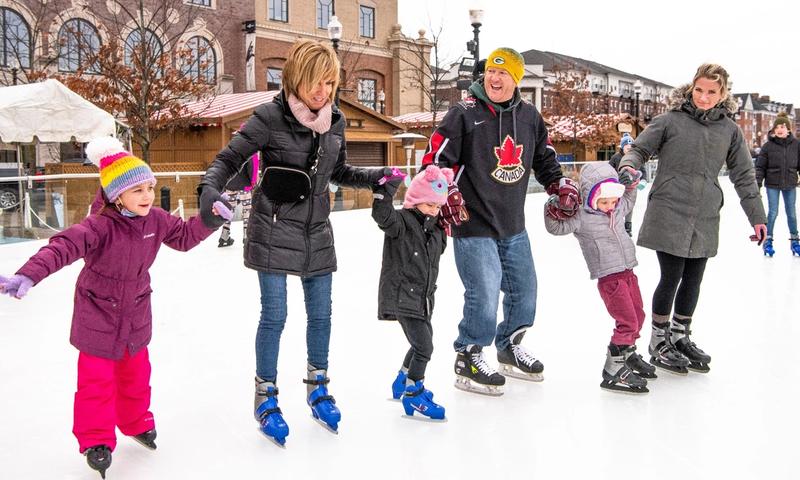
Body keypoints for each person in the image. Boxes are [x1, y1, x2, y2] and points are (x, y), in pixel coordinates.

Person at [0, 137, 228, 479]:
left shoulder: (156, 220)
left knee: (137, 378)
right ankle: (96, 441)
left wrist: (209, 220)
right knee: (96, 383)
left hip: (136, 313)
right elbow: (61, 248)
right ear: (115, 194)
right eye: (137, 190)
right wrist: (28, 274)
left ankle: (136, 423)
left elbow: (182, 236)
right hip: (98, 316)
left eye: (150, 187)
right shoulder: (98, 227)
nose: (148, 196)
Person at [197, 39, 386, 446]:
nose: (323, 93)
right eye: (316, 83)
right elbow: (227, 160)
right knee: (276, 315)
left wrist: (377, 178)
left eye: (330, 84)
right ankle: (265, 395)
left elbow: (338, 171)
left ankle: (318, 386)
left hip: (317, 230)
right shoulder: (268, 117)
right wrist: (210, 190)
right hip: (273, 229)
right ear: (296, 79)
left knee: (322, 315)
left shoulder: (333, 120)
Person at [421, 47, 579, 396]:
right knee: (485, 290)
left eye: (503, 73)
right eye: (491, 71)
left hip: (512, 222)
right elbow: (434, 160)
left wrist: (559, 184)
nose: (494, 78)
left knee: (525, 289)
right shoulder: (462, 114)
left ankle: (508, 345)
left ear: (516, 79)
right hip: (472, 220)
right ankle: (469, 354)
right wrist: (444, 190)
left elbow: (544, 157)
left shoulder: (529, 117)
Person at [617, 63, 767, 375]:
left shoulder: (729, 130)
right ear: (691, 87)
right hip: (669, 207)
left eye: (712, 91)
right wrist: (629, 166)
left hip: (705, 213)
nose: (703, 96)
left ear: (723, 93)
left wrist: (757, 217)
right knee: (671, 276)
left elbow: (743, 175)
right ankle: (659, 339)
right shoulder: (670, 120)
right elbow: (639, 150)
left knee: (694, 278)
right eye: (699, 89)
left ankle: (679, 336)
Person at [544, 162, 655, 394]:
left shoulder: (617, 208)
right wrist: (552, 207)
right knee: (627, 321)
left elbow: (629, 198)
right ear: (590, 195)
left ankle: (627, 354)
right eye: (604, 201)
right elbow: (556, 228)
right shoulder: (581, 216)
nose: (610, 206)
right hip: (610, 279)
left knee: (639, 315)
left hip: (628, 272)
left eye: (613, 201)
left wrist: (630, 183)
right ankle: (613, 368)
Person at [372, 166, 451, 420]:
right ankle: (413, 394)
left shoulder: (436, 229)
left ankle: (402, 381)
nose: (433, 211)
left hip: (424, 298)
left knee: (422, 341)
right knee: (424, 346)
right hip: (403, 295)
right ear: (416, 200)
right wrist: (385, 190)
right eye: (429, 205)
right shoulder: (401, 223)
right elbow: (382, 216)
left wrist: (445, 221)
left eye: (438, 207)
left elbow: (437, 254)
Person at [755, 112, 799, 257]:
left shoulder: (796, 145)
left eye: (783, 126)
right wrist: (758, 183)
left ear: (789, 129)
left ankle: (795, 241)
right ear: (773, 130)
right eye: (777, 127)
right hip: (772, 184)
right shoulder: (767, 146)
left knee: (791, 214)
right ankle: (768, 240)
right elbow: (760, 167)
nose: (780, 129)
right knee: (773, 213)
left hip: (790, 184)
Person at [217, 150, 260, 248]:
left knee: (228, 209)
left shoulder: (231, 149)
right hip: (244, 185)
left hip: (230, 184)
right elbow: (253, 168)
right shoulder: (251, 151)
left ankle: (224, 235)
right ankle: (246, 235)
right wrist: (253, 184)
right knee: (247, 210)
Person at [608, 132, 645, 236]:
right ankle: (617, 226)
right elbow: (609, 169)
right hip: (618, 186)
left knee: (630, 206)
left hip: (632, 187)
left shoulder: (636, 158)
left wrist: (643, 180)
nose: (629, 149)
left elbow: (643, 169)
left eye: (631, 148)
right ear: (622, 147)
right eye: (627, 147)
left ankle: (628, 228)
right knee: (617, 206)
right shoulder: (616, 158)